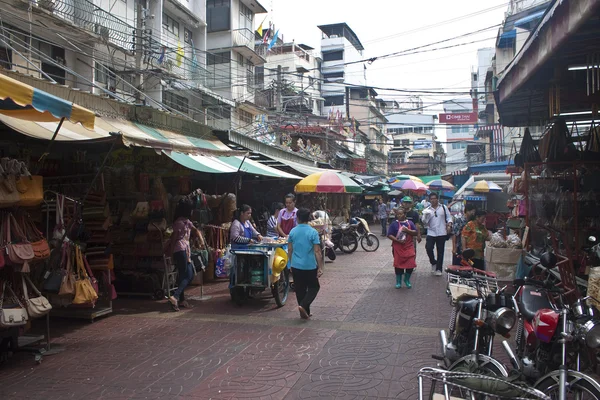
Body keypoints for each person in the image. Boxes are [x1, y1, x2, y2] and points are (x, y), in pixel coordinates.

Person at [167, 198, 205, 311]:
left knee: (183, 275)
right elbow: (173, 239)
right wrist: (171, 254)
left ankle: (181, 300)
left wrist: (201, 241)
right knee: (189, 275)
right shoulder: (179, 223)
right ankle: (175, 296)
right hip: (180, 251)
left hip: (183, 251)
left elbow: (196, 231)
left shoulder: (186, 221)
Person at [288, 208, 324, 319]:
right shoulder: (313, 232)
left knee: (300, 289)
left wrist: (290, 263)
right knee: (314, 287)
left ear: (297, 218)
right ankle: (303, 306)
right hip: (309, 265)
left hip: (296, 265)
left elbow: (290, 249)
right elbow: (317, 251)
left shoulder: (293, 231)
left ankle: (304, 311)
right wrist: (320, 267)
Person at [422, 193, 453, 276]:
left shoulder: (443, 207)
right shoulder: (427, 210)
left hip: (441, 232)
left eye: (434, 198)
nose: (433, 200)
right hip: (431, 232)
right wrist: (425, 217)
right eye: (431, 199)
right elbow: (424, 222)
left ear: (437, 199)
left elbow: (449, 217)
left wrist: (449, 224)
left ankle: (439, 269)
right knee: (428, 248)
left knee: (440, 251)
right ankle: (433, 262)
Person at [387, 208, 418, 288]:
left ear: (405, 215)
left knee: (411, 264)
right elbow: (389, 234)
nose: (399, 216)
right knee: (398, 265)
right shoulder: (394, 224)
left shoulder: (410, 223)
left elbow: (415, 232)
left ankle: (407, 279)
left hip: (408, 247)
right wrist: (397, 240)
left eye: (401, 214)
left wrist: (407, 230)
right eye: (398, 214)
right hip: (398, 248)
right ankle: (398, 281)